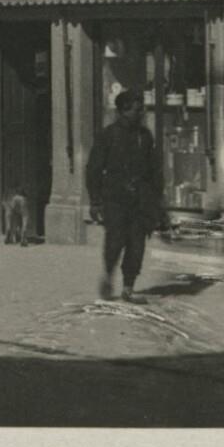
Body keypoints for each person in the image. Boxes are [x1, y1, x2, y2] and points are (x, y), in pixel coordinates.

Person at [85, 86, 167, 299]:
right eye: (137, 110)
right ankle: (108, 276)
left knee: (136, 245)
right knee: (115, 242)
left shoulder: (145, 137)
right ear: (123, 111)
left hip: (140, 200)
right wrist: (95, 201)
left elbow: (154, 170)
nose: (141, 114)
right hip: (115, 199)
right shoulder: (108, 136)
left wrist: (157, 200)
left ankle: (128, 287)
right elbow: (94, 169)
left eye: (142, 110)